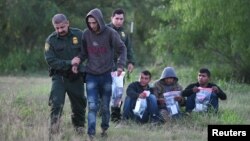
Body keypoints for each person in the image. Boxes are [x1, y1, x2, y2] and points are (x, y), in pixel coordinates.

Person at [72, 8, 127, 140]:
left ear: (100, 21)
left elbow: (122, 48)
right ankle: (91, 133)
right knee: (92, 105)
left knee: (105, 106)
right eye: (89, 22)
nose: (92, 25)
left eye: (94, 22)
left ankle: (104, 128)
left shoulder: (110, 33)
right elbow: (83, 53)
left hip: (107, 75)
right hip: (91, 75)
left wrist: (120, 65)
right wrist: (77, 61)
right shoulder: (86, 34)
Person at [44, 13, 86, 139]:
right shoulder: (50, 40)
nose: (60, 30)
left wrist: (78, 61)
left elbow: (86, 51)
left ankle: (79, 130)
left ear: (68, 23)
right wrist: (69, 63)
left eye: (62, 27)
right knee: (56, 104)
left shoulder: (79, 34)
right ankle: (54, 131)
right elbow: (51, 60)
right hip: (59, 77)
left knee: (79, 105)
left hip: (76, 76)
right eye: (57, 28)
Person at [106, 8, 136, 122]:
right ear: (112, 18)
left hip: (119, 67)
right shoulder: (105, 30)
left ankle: (115, 116)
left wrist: (131, 62)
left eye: (121, 19)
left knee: (118, 92)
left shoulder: (124, 33)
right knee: (105, 92)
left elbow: (129, 49)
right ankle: (102, 113)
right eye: (116, 18)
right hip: (105, 66)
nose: (119, 21)